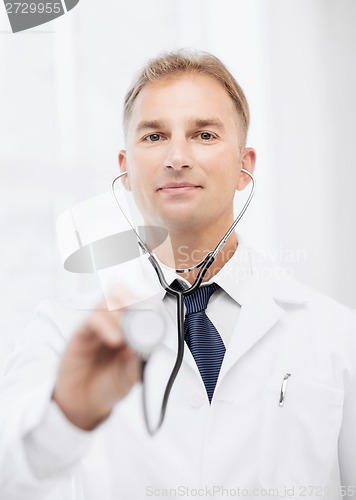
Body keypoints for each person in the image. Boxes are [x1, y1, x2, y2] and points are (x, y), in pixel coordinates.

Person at [0, 50, 355, 500]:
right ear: (125, 170)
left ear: (245, 166)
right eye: (154, 136)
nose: (177, 156)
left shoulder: (338, 336)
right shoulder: (60, 331)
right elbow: (9, 475)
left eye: (204, 134)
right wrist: (66, 415)